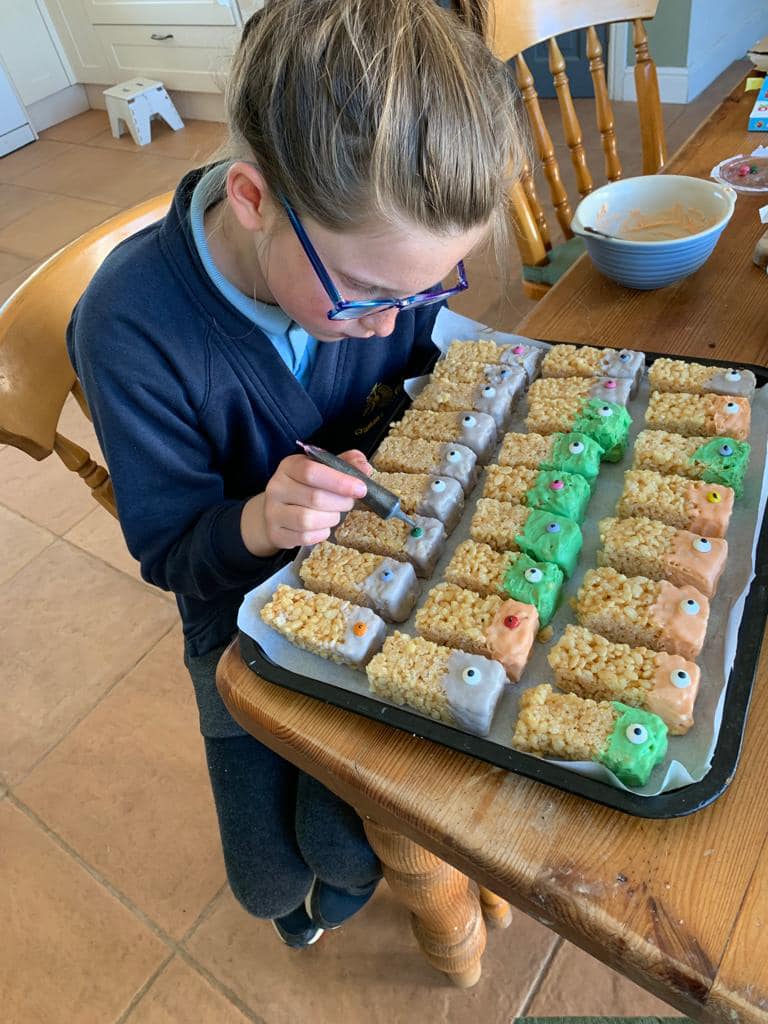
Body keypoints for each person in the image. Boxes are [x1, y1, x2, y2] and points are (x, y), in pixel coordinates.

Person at [67, 0, 524, 948]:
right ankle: (311, 897)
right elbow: (171, 551)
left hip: (387, 569)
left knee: (348, 849)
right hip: (237, 605)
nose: (393, 321)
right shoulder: (130, 330)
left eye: (429, 287)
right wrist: (262, 523)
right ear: (251, 198)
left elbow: (414, 373)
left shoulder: (384, 277)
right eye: (368, 293)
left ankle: (345, 876)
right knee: (271, 885)